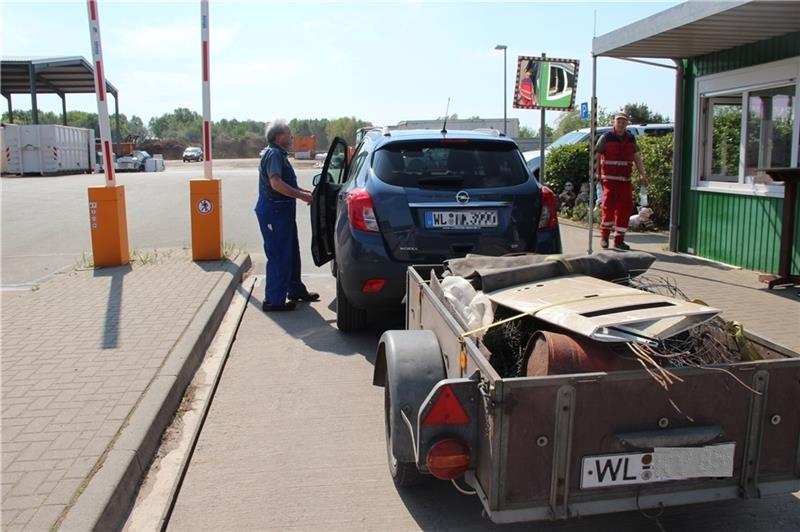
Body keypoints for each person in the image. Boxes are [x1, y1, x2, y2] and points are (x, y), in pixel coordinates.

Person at [255, 121, 319, 311]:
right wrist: (301, 196)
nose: (291, 137)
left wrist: (305, 192)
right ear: (277, 136)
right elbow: (276, 184)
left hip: (281, 211)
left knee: (290, 252)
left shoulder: (278, 154)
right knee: (279, 255)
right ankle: (274, 300)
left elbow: (286, 183)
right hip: (274, 212)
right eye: (288, 133)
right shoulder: (274, 154)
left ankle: (295, 289)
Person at [594, 113, 649, 251]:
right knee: (608, 209)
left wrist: (643, 174)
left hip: (625, 181)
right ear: (614, 123)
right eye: (619, 121)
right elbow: (596, 155)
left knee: (625, 210)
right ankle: (604, 237)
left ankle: (619, 240)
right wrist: (596, 173)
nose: (621, 124)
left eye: (624, 122)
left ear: (627, 124)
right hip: (609, 181)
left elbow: (637, 157)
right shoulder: (606, 137)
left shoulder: (631, 138)